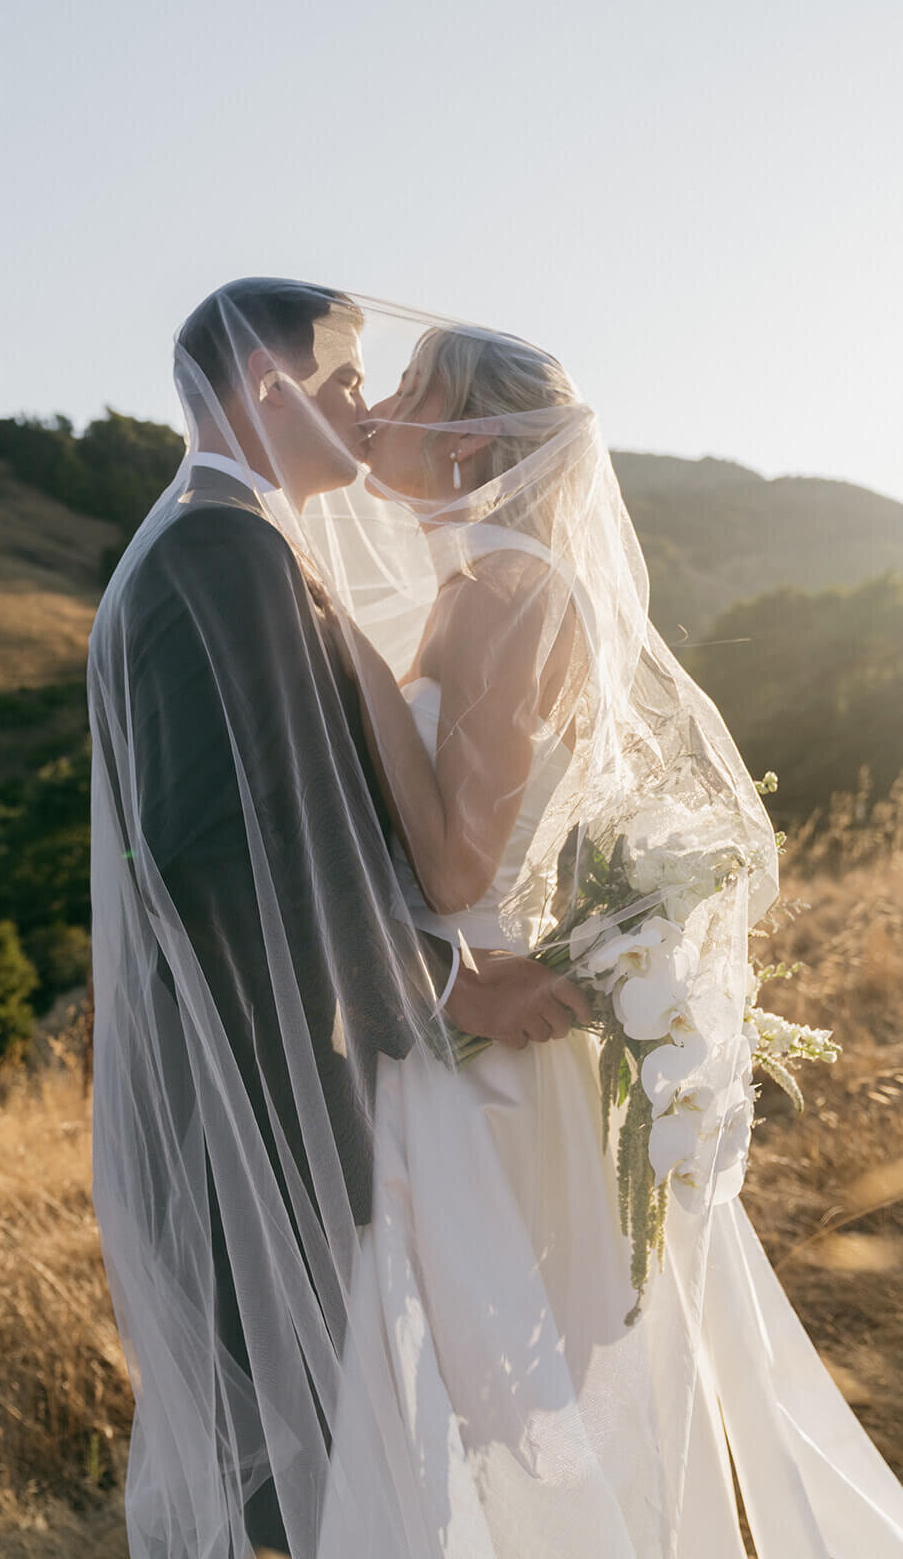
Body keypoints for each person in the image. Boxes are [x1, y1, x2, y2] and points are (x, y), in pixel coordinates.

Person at [305, 318, 903, 1556]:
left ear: (471, 442)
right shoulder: (483, 583)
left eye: (406, 388)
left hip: (478, 1049)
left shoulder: (505, 592)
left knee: (499, 1413)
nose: (374, 410)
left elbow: (458, 866)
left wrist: (349, 665)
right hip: (458, 1021)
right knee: (483, 1413)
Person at [86, 279, 592, 1559]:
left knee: (377, 1431)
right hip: (263, 1072)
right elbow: (211, 857)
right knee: (335, 1444)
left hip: (310, 1060)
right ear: (270, 389)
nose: (363, 412)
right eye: (348, 379)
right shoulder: (219, 548)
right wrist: (434, 976)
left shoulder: (236, 537)